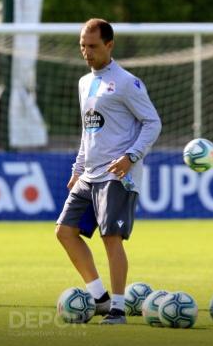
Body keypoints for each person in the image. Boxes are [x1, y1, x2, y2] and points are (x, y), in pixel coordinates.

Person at [55, 18, 162, 325]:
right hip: (88, 174)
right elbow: (88, 131)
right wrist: (78, 167)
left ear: (109, 45)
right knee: (64, 232)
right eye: (82, 46)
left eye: (93, 46)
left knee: (110, 238)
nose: (86, 52)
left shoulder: (127, 82)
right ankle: (100, 298)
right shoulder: (84, 83)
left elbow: (152, 122)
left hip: (116, 175)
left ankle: (117, 309)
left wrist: (131, 156)